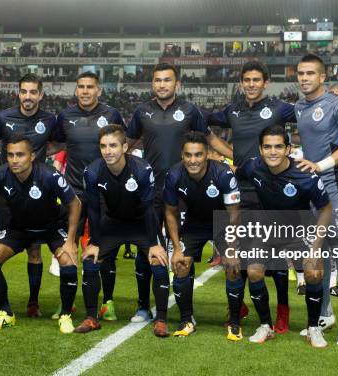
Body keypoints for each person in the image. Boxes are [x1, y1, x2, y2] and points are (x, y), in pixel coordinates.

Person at [126, 62, 232, 323]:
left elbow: (210, 140)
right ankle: (142, 306)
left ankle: (188, 312)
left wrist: (237, 157)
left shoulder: (189, 110)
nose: (162, 84)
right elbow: (125, 146)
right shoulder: (142, 112)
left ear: (177, 84)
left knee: (183, 251)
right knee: (145, 250)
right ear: (153, 84)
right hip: (151, 193)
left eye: (167, 80)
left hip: (182, 194)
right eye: (158, 80)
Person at [207, 60, 297, 333]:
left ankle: (283, 310)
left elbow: (311, 111)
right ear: (241, 82)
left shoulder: (280, 108)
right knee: (234, 250)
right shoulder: (232, 111)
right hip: (239, 189)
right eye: (247, 80)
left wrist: (334, 97)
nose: (251, 84)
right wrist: (230, 156)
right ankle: (239, 305)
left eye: (257, 80)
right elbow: (204, 127)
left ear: (266, 82)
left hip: (271, 189)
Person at [236, 125, 332, 347]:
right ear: (260, 149)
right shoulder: (253, 167)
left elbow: (326, 209)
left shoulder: (305, 174)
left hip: (300, 231)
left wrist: (316, 247)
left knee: (314, 272)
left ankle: (313, 328)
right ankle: (265, 326)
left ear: (288, 148)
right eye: (267, 147)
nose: (272, 152)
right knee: (254, 271)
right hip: (268, 230)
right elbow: (234, 172)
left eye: (278, 146)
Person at [0, 134, 81, 332]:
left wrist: (70, 240)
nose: (14, 160)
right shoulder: (0, 174)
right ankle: (6, 313)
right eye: (10, 155)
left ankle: (65, 316)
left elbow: (75, 203)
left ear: (32, 156)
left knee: (68, 262)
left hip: (51, 227)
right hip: (20, 228)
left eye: (20, 155)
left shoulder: (49, 175)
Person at [294, 54, 338, 346]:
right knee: (316, 252)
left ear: (323, 77)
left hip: (336, 185)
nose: (304, 78)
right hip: (313, 189)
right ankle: (324, 313)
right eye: (300, 73)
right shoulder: (297, 107)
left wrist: (320, 165)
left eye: (311, 73)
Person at [78, 125, 170, 336]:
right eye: (103, 146)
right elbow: (93, 208)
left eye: (113, 145)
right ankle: (91, 317)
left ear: (125, 147)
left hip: (142, 223)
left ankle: (161, 319)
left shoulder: (141, 169)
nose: (108, 151)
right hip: (113, 223)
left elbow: (149, 208)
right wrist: (94, 241)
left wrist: (154, 244)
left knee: (158, 260)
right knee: (91, 259)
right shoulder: (92, 172)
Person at [52, 72, 127, 321]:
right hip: (73, 192)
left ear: (99, 90)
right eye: (81, 87)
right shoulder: (65, 116)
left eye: (90, 87)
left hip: (104, 194)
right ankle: (68, 303)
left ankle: (107, 302)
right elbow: (55, 144)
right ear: (76, 90)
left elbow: (122, 145)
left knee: (104, 249)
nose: (85, 91)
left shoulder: (112, 115)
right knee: (68, 247)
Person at [0, 73, 58, 318]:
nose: (28, 97)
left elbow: (61, 144)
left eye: (33, 92)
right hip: (7, 194)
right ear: (19, 93)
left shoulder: (49, 120)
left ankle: (33, 302)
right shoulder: (3, 117)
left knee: (35, 251)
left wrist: (42, 154)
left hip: (37, 194)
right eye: (24, 92)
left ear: (40, 94)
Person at [163, 132, 242, 340]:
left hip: (224, 223)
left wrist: (232, 248)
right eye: (188, 155)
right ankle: (186, 320)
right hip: (195, 224)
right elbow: (170, 212)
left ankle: (234, 322)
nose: (193, 160)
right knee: (180, 265)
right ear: (182, 155)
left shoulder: (224, 174)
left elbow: (234, 212)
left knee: (233, 266)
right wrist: (176, 248)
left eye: (198, 154)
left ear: (207, 154)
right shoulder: (173, 175)